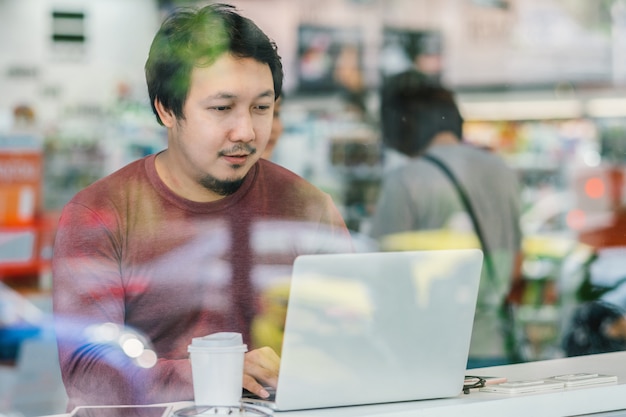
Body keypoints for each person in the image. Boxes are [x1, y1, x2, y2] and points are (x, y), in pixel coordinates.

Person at [52, 3, 352, 408]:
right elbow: (88, 375)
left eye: (261, 107)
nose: (246, 131)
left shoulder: (307, 207)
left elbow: (353, 340)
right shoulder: (100, 214)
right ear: (166, 110)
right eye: (221, 108)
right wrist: (218, 373)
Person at [368, 70, 523, 368]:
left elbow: (385, 274)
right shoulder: (503, 172)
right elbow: (516, 264)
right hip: (497, 345)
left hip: (431, 350)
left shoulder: (406, 180)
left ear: (403, 122)